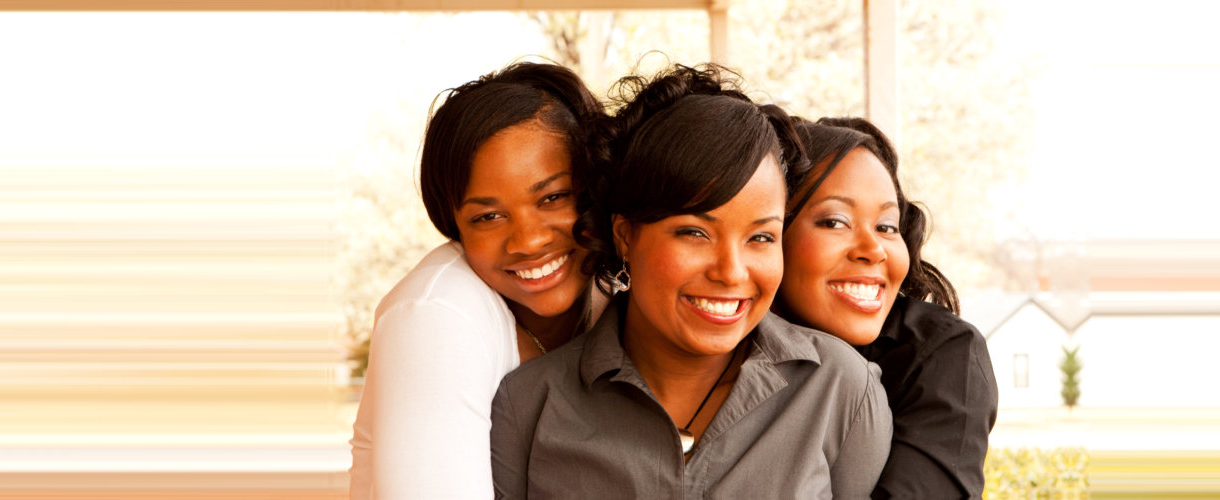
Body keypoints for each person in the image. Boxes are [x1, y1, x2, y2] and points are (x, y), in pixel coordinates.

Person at [490, 64, 892, 498]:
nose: (731, 272)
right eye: (694, 233)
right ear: (625, 236)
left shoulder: (841, 388)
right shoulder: (530, 406)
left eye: (761, 237)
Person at [350, 62, 604, 500]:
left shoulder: (614, 281)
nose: (528, 241)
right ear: (455, 226)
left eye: (553, 197)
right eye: (488, 216)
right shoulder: (434, 318)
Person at [777, 116, 999, 498]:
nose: (873, 249)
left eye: (886, 227)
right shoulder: (726, 342)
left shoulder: (939, 354)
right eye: (835, 221)